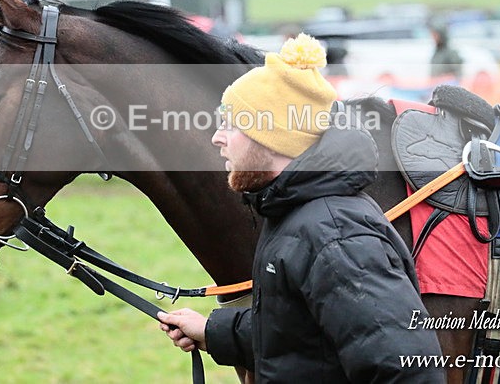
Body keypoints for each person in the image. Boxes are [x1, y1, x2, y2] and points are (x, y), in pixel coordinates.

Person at [158, 34, 444, 382]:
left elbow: (408, 371)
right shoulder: (292, 214)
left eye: (231, 123)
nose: (217, 137)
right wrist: (212, 330)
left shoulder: (335, 237)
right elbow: (297, 335)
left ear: (272, 136)